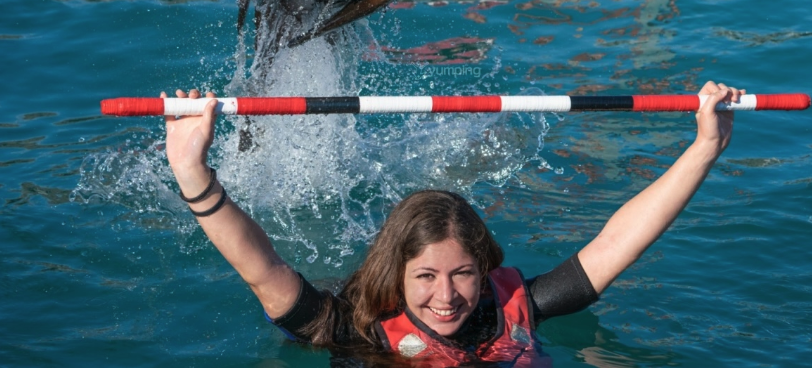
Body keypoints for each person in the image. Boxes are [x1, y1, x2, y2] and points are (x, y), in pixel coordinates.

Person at [162, 81, 743, 365]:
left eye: (463, 273)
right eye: (426, 277)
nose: (447, 296)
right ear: (397, 273)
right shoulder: (353, 330)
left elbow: (618, 241)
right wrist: (192, 172)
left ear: (484, 267)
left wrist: (704, 148)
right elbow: (261, 269)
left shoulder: (518, 306)